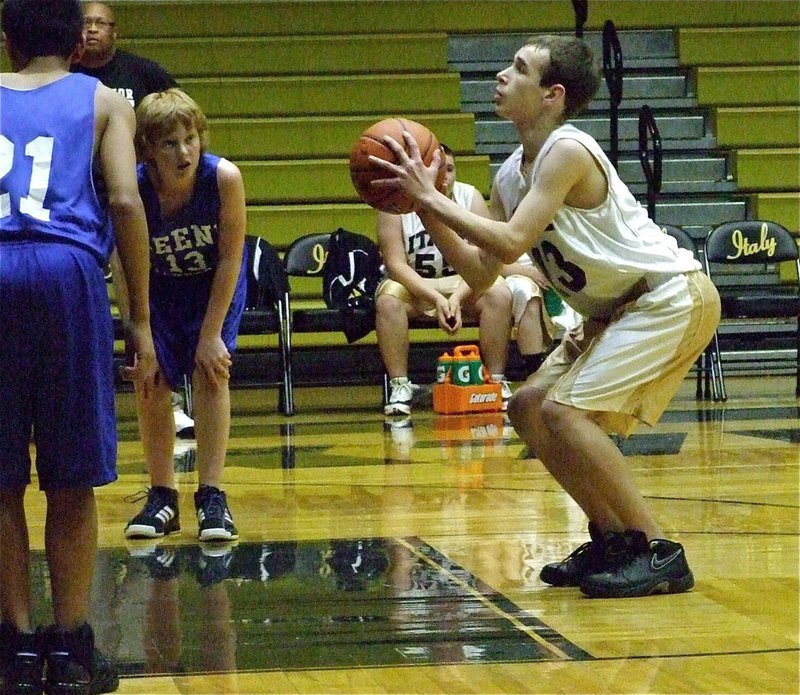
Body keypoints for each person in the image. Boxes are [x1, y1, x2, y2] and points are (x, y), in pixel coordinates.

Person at [371, 35, 721, 598]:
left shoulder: (568, 149)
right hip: (614, 310)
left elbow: (511, 239)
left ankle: (658, 549)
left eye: (519, 69)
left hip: (668, 296)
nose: (502, 76)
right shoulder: (513, 171)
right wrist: (425, 208)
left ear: (552, 95)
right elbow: (486, 273)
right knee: (529, 407)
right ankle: (612, 538)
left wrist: (432, 200)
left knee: (564, 414)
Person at [0, 0, 158, 692]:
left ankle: (15, 645)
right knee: (72, 473)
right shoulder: (102, 99)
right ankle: (70, 646)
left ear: (7, 42)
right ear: (77, 42)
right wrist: (141, 318)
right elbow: (124, 200)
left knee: (1, 478)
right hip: (67, 274)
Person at [120, 88, 246, 544]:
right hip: (157, 289)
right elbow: (122, 263)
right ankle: (162, 496)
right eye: (170, 143)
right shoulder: (131, 187)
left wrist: (211, 334)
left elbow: (232, 259)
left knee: (212, 371)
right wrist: (141, 330)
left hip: (214, 284)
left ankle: (212, 495)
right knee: (150, 377)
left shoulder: (224, 178)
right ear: (148, 149)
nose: (184, 151)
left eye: (190, 138)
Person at [72, 1, 193, 438]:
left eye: (100, 23)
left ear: (115, 32)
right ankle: (73, 404)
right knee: (75, 302)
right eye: (84, 23)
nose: (91, 31)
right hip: (80, 201)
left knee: (141, 300)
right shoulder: (65, 79)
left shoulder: (143, 75)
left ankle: (168, 397)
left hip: (135, 198)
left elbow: (183, 117)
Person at [376, 144, 513, 416]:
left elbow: (485, 258)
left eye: (450, 169)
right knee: (388, 299)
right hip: (417, 285)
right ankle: (400, 385)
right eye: (439, 169)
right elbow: (394, 264)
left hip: (464, 282)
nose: (445, 176)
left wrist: (457, 298)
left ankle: (496, 382)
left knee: (499, 292)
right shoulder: (394, 202)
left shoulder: (468, 196)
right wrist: (436, 299)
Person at [72, 1, 178, 110]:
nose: (92, 29)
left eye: (101, 23)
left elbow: (182, 111)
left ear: (114, 32)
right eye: (86, 22)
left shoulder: (144, 71)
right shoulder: (65, 69)